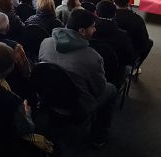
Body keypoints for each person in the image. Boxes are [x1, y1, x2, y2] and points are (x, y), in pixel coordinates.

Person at [38, 9, 117, 147]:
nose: (95, 29)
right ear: (81, 31)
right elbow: (99, 90)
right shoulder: (92, 57)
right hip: (77, 108)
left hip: (47, 98)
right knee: (111, 89)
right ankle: (98, 136)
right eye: (92, 27)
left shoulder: (45, 42)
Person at [112, 0, 153, 65]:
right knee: (149, 42)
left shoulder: (107, 16)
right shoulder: (137, 19)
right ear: (129, 3)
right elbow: (143, 41)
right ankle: (135, 65)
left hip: (109, 52)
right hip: (127, 55)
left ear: (113, 2)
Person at [93, 0, 136, 68]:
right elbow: (130, 58)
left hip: (91, 67)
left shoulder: (88, 31)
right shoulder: (123, 35)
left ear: (95, 13)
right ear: (115, 14)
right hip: (114, 70)